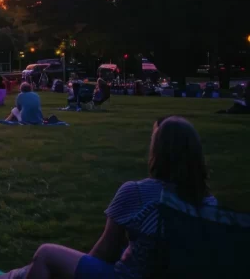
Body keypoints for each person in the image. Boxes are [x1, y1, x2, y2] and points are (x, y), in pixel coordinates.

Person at [11, 116, 216, 279]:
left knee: (46, 254)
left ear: (158, 152)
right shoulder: (209, 203)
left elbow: (105, 251)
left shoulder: (136, 192)